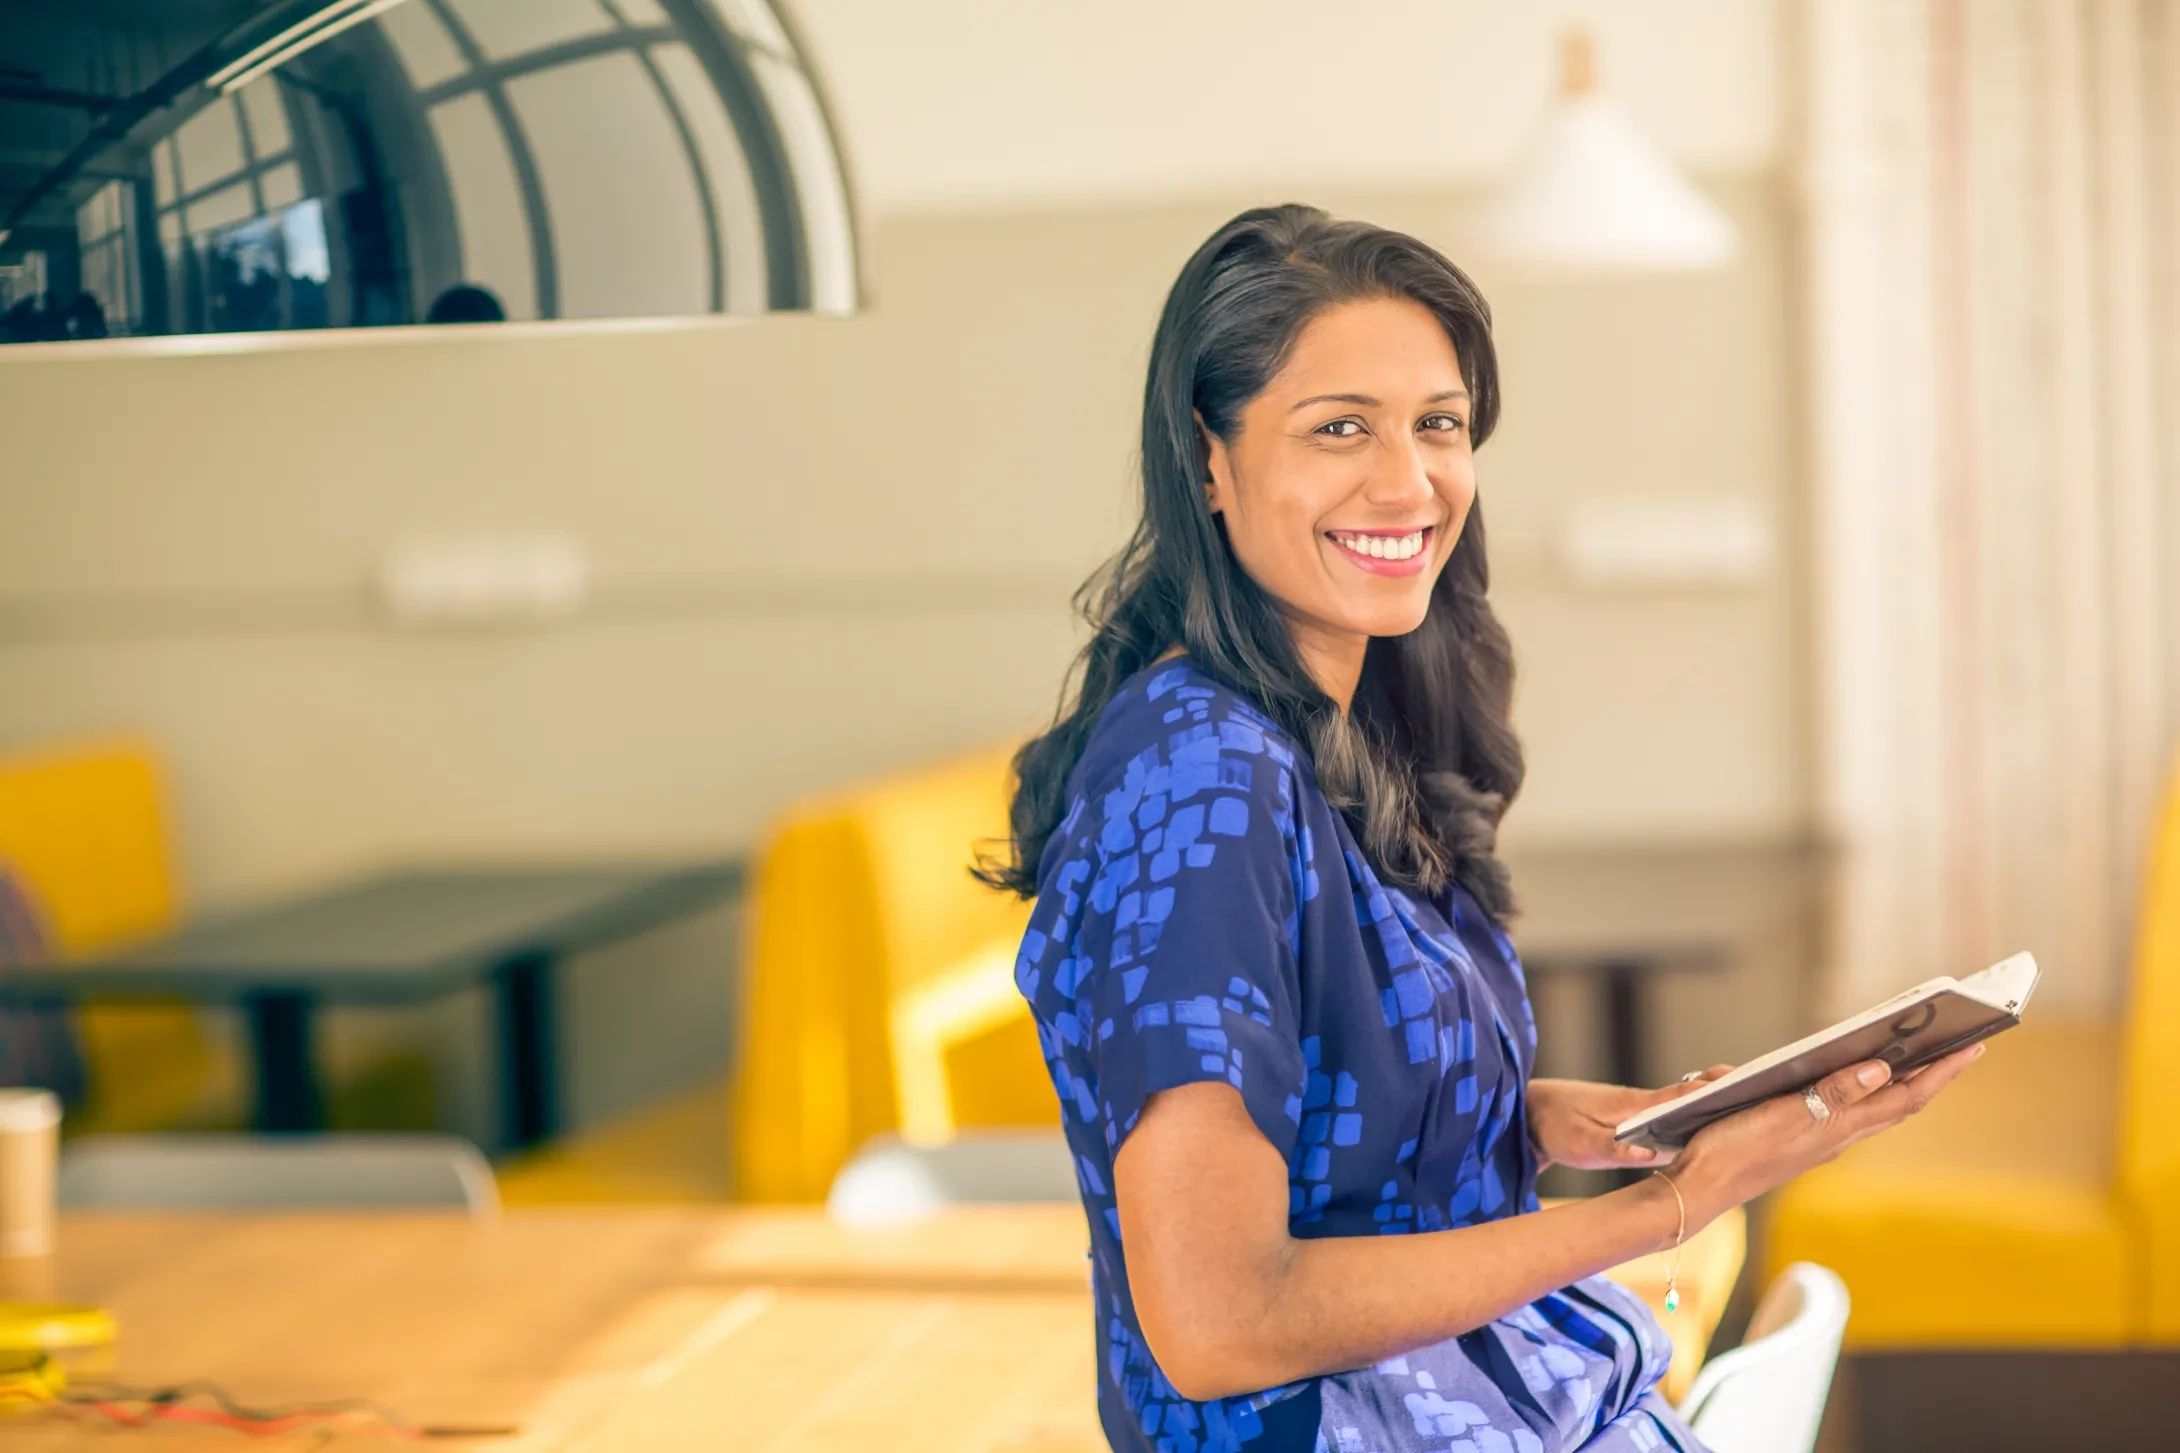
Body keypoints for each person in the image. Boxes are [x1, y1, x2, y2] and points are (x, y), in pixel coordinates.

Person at [978, 205, 1981, 1453]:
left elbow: (1324, 1101)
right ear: (1207, 462)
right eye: (1338, 427)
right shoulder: (1200, 782)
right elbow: (1218, 1322)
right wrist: (1669, 1205)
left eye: (1437, 425)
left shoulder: (1335, 728)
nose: (1407, 482)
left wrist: (1570, 1118)